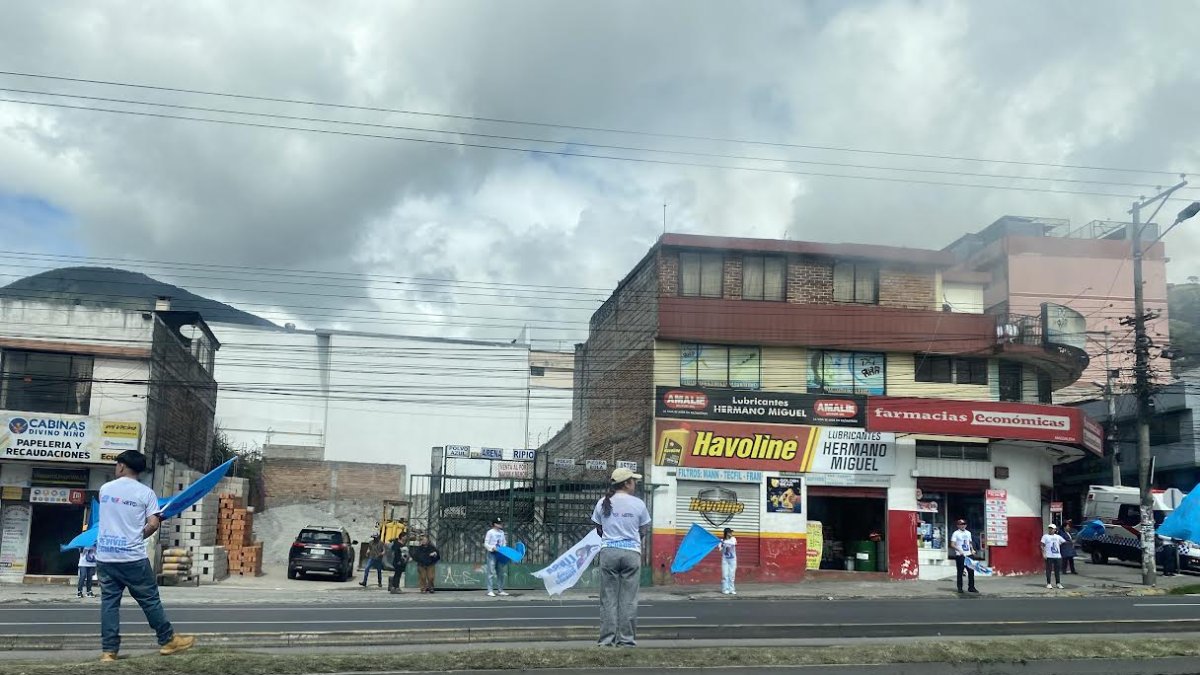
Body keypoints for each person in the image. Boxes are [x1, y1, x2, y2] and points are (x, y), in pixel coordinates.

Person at [95, 450, 194, 662]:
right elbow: (153, 523)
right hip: (132, 557)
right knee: (149, 600)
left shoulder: (105, 490)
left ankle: (109, 651)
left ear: (121, 466)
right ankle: (167, 641)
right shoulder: (146, 493)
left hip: (105, 556)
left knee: (109, 603)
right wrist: (139, 535)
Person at [592, 467, 652, 647]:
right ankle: (626, 640)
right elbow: (644, 529)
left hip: (609, 552)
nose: (635, 484)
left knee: (608, 599)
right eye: (633, 481)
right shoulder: (638, 504)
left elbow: (599, 528)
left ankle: (606, 641)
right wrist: (632, 540)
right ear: (626, 483)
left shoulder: (603, 502)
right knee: (628, 600)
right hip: (631, 553)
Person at [950, 519, 979, 594]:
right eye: (961, 524)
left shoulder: (968, 533)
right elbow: (952, 544)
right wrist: (959, 550)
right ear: (958, 525)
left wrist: (972, 549)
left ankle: (971, 587)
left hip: (969, 554)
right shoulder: (955, 533)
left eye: (964, 524)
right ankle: (960, 588)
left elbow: (969, 542)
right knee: (960, 572)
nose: (963, 525)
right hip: (960, 555)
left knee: (971, 571)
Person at [483, 518, 509, 597]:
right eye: (499, 523)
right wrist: (492, 548)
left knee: (500, 572)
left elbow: (504, 542)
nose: (501, 524)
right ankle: (490, 590)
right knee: (490, 572)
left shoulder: (502, 532)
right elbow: (486, 543)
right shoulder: (490, 532)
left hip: (500, 554)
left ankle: (500, 590)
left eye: (501, 523)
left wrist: (503, 549)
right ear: (494, 524)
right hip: (492, 553)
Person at [1041, 523, 1065, 589]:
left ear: (1055, 530)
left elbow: (1063, 542)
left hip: (1057, 556)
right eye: (1049, 528)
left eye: (1052, 529)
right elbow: (1042, 545)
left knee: (1057, 570)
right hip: (1049, 556)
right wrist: (1044, 554)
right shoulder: (1045, 536)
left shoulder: (1058, 537)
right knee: (1049, 570)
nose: (1050, 530)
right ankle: (1048, 583)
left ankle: (1058, 583)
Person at [720, 528, 738, 596]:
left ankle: (732, 589)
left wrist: (724, 543)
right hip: (725, 560)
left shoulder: (733, 539)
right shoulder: (722, 541)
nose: (731, 533)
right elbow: (720, 549)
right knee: (725, 575)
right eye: (730, 532)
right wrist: (721, 544)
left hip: (733, 560)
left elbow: (733, 544)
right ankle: (725, 589)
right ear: (727, 533)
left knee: (732, 575)